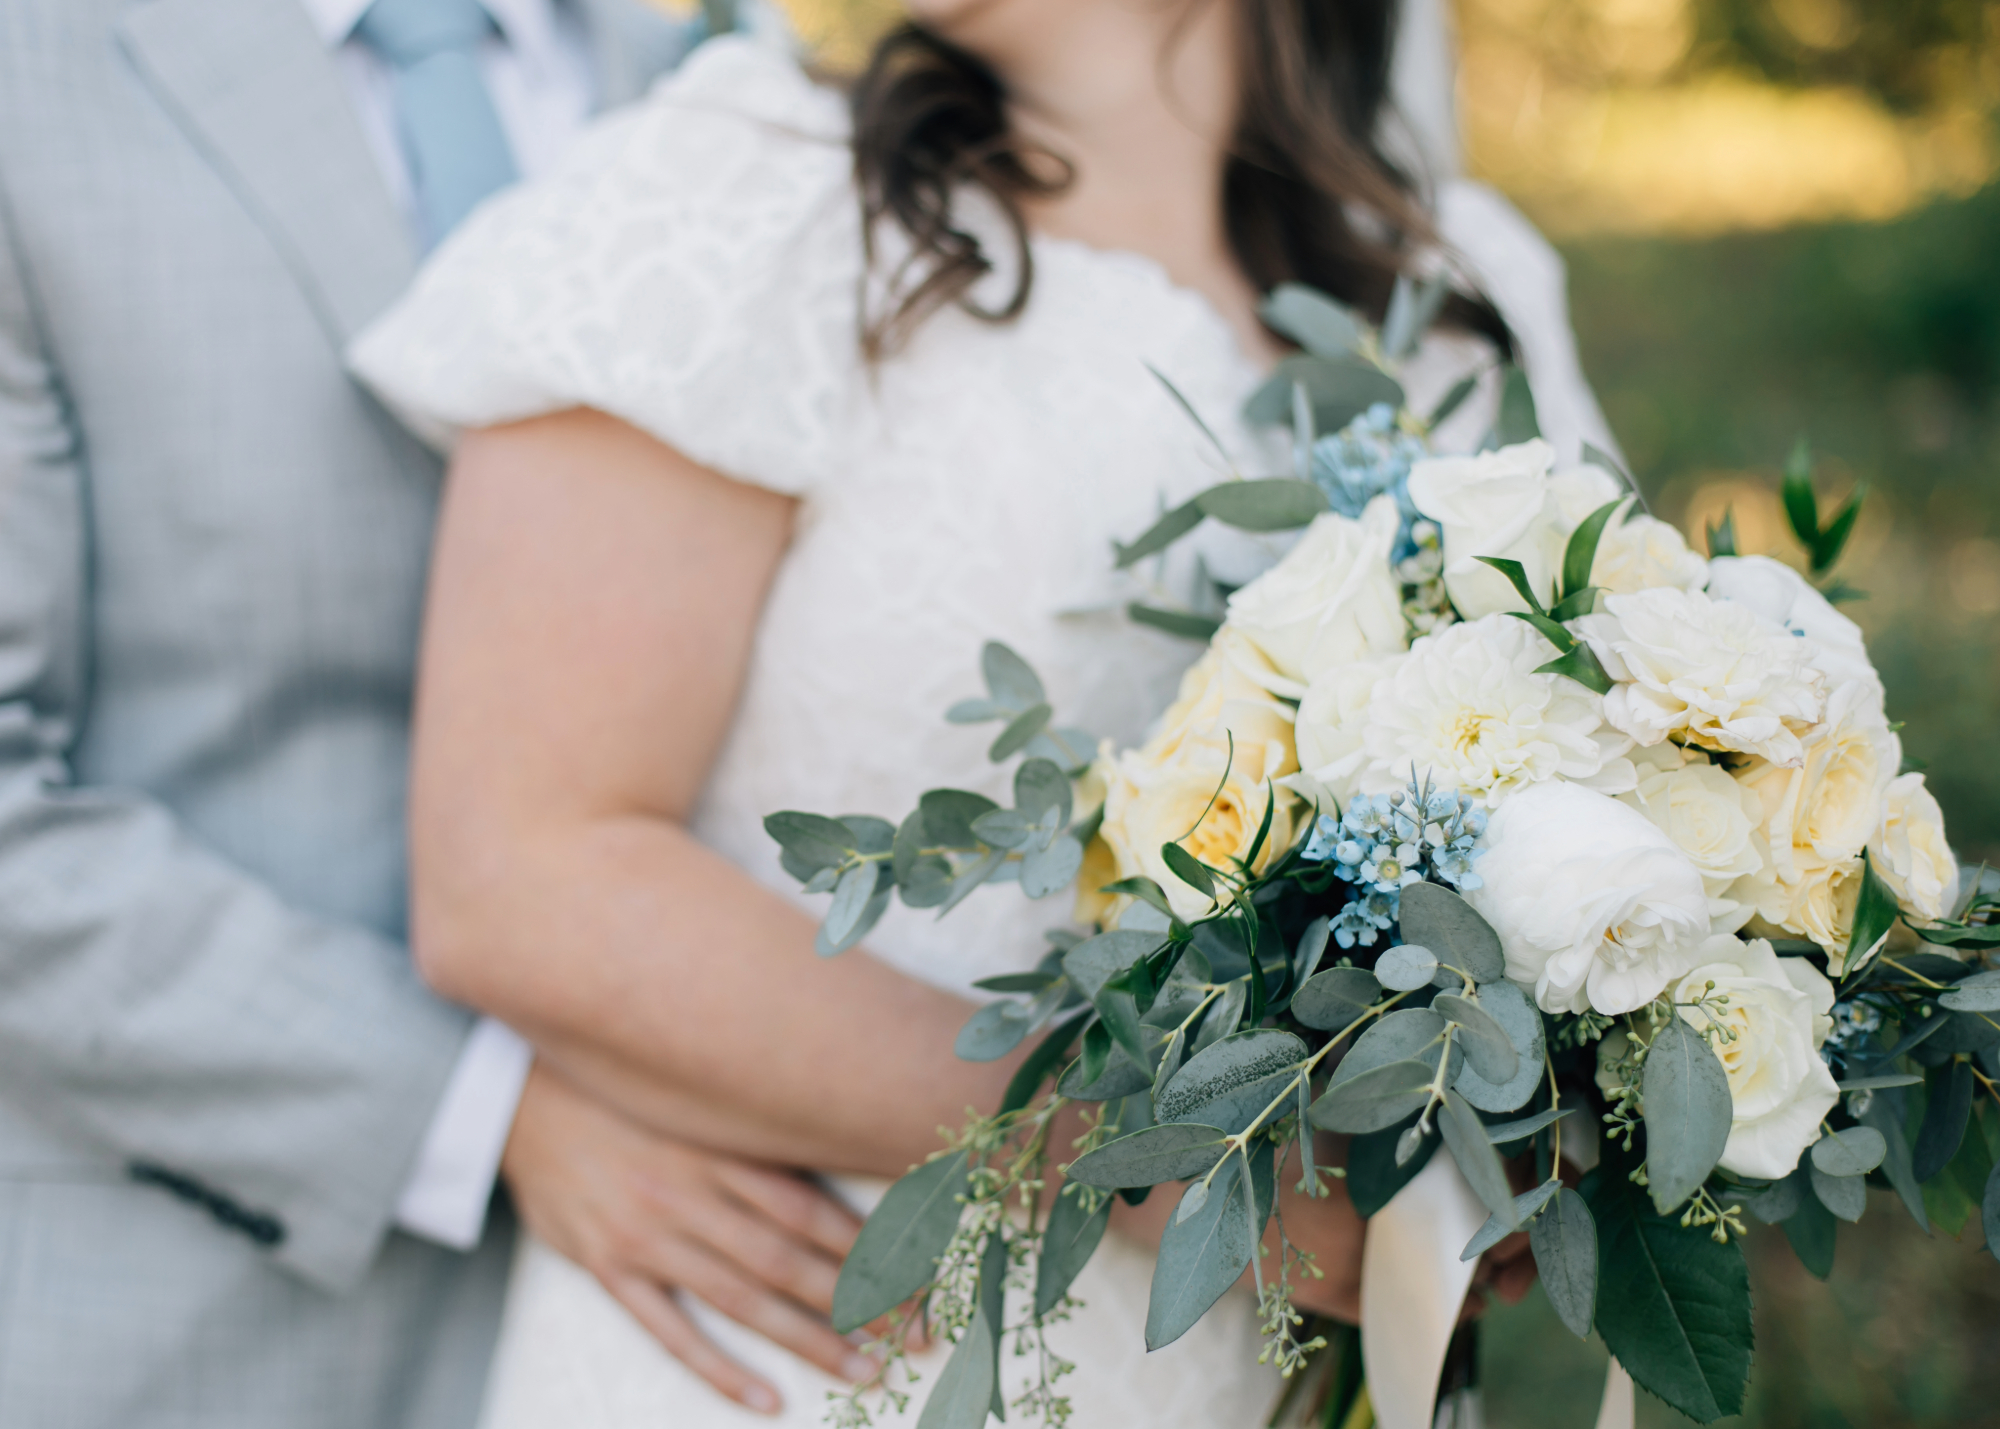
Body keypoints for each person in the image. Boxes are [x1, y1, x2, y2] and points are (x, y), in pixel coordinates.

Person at [352, 0, 1610, 1425]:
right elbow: (516, 876)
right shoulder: (742, 195)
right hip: (805, 1357)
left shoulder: (1461, 296)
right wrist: (1159, 1152)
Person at [0, 1, 882, 1425]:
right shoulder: (31, 83)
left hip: (701, 1339)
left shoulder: (722, 80)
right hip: (171, 1320)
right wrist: (483, 1113)